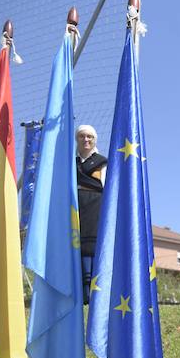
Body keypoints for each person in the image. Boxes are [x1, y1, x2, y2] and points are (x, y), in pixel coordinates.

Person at [74, 124, 107, 300]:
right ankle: (79, 291)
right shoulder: (71, 163)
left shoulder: (103, 162)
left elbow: (106, 187)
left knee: (92, 247)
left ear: (94, 140)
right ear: (77, 139)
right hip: (75, 207)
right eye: (82, 136)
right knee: (75, 246)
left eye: (90, 137)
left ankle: (93, 292)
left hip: (96, 206)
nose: (86, 140)